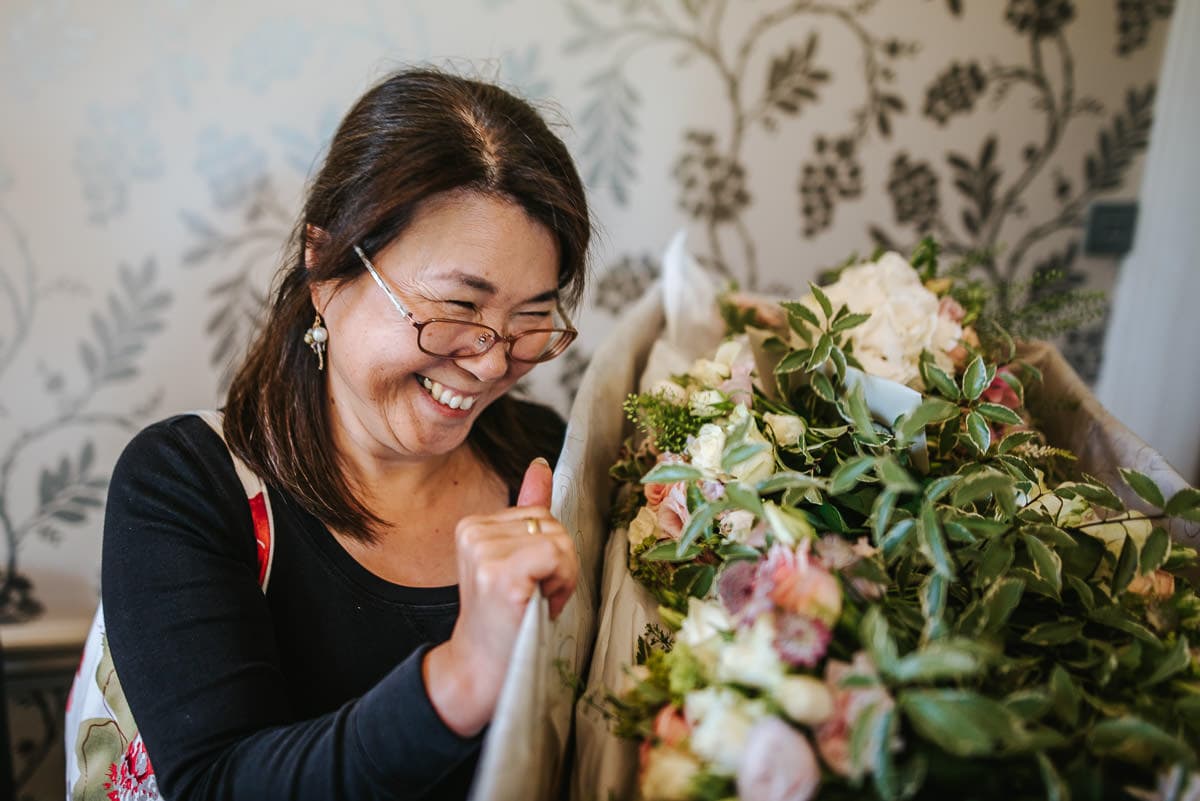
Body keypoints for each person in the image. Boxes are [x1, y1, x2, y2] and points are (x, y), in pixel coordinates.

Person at [88, 68, 589, 800]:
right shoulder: (186, 485)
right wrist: (460, 677)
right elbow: (214, 783)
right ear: (324, 265)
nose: (490, 361)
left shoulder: (540, 454)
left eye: (529, 320)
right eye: (456, 305)